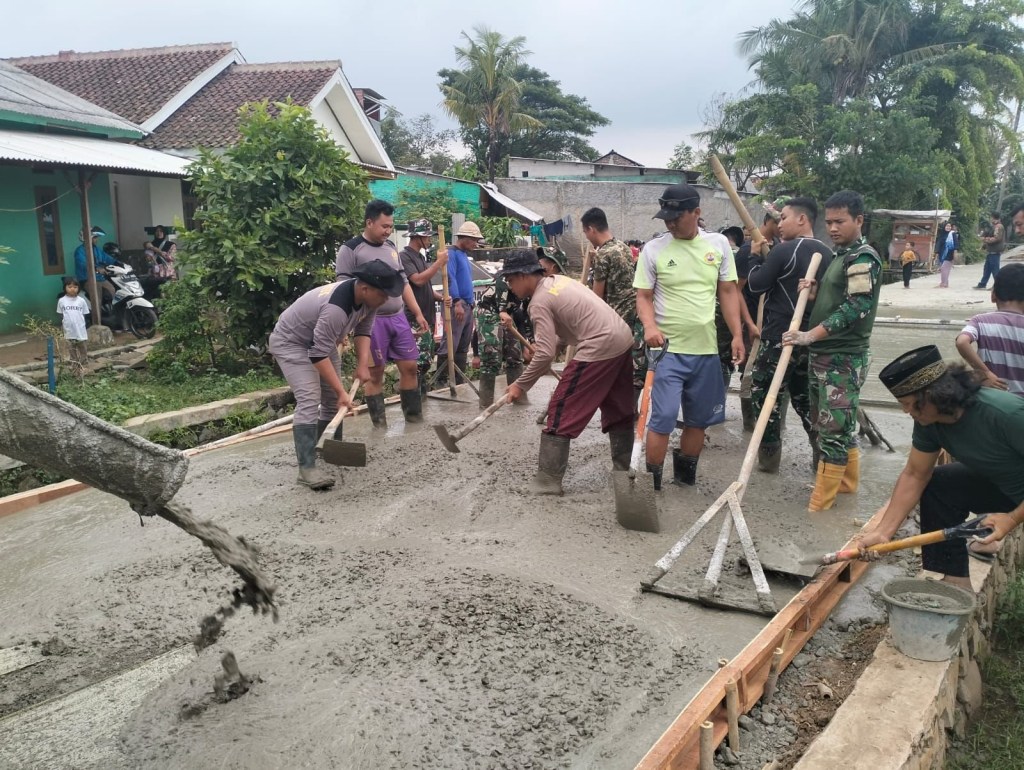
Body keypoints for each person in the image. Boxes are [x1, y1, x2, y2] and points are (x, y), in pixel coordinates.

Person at [853, 346, 1024, 590]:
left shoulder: (1006, 413)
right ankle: (955, 582)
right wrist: (883, 532)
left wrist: (1012, 519)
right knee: (939, 483)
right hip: (1003, 486)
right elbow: (915, 474)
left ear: (937, 394)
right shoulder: (928, 421)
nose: (906, 412)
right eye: (902, 404)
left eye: (911, 404)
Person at [634, 184, 744, 489]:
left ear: (696, 213)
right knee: (664, 417)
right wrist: (650, 327)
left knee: (698, 420)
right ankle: (652, 483)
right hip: (666, 351)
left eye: (676, 216)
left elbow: (728, 291)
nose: (669, 222)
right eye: (666, 217)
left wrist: (737, 334)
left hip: (706, 351)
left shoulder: (719, 245)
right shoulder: (653, 249)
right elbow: (643, 296)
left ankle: (685, 479)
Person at [501, 250, 635, 495]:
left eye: (510, 280)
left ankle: (547, 481)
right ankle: (623, 468)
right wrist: (550, 345)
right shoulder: (559, 282)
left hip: (600, 344)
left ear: (522, 275)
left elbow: (544, 355)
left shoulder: (539, 301)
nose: (510, 287)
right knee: (619, 406)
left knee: (562, 405)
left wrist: (520, 385)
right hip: (622, 338)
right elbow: (564, 331)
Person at [782, 190, 883, 511]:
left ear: (859, 220)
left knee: (834, 429)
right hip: (825, 355)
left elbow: (856, 308)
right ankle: (846, 487)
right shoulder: (840, 256)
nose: (833, 228)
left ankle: (820, 506)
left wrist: (810, 335)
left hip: (842, 357)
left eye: (840, 221)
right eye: (829, 222)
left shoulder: (862, 259)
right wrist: (814, 294)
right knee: (832, 424)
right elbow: (836, 301)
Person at [269, 260, 402, 489]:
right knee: (310, 398)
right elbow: (318, 355)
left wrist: (362, 365)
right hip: (291, 342)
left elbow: (363, 330)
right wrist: (342, 391)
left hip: (320, 342)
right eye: (383, 294)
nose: (386, 300)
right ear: (365, 288)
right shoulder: (336, 309)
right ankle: (307, 468)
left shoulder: (370, 301)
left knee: (331, 400)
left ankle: (331, 448)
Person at [745, 196, 833, 472]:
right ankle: (822, 458)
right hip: (811, 338)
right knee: (806, 398)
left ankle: (769, 460)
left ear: (802, 219)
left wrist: (754, 255)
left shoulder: (787, 250)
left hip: (779, 337)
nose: (779, 224)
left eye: (784, 218)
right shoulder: (829, 254)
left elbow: (756, 285)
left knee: (764, 395)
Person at [335, 200, 429, 427]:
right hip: (370, 321)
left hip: (398, 318)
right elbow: (344, 289)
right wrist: (345, 327)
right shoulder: (351, 249)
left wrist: (416, 313)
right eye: (384, 226)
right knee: (375, 374)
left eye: (390, 226)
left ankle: (414, 420)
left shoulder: (390, 248)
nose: (388, 231)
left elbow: (403, 281)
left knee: (410, 367)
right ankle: (379, 426)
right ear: (369, 222)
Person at [582, 206, 646, 401]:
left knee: (612, 363)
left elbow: (597, 296)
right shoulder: (623, 247)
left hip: (616, 316)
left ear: (592, 229)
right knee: (636, 361)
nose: (587, 237)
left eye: (585, 232)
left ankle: (614, 402)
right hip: (635, 312)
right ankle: (631, 406)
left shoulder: (604, 254)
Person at [956, 262, 1024, 395]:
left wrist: (984, 373)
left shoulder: (980, 320)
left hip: (991, 400)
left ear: (993, 295)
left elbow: (961, 342)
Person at [398, 219, 447, 394]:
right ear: (417, 237)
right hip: (414, 319)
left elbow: (426, 287)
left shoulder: (420, 257)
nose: (429, 241)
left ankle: (421, 396)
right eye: (427, 237)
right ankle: (413, 401)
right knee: (417, 363)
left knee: (426, 361)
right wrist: (438, 264)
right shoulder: (404, 257)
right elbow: (418, 280)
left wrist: (441, 298)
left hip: (428, 316)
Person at [436, 221, 484, 386]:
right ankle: (441, 381)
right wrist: (456, 302)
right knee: (451, 342)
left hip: (467, 304)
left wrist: (470, 302)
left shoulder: (463, 254)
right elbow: (450, 279)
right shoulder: (450, 254)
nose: (475, 244)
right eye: (473, 240)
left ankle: (459, 380)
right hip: (457, 304)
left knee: (463, 344)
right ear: (464, 238)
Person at [475, 266, 526, 408]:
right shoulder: (507, 278)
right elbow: (500, 282)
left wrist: (531, 341)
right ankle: (486, 405)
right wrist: (501, 310)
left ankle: (520, 401)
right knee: (491, 359)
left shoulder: (532, 290)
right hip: (489, 312)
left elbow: (524, 317)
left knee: (515, 356)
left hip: (509, 316)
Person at [73, 226, 118, 302]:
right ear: (87, 238)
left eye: (96, 237)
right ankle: (97, 313)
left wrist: (118, 263)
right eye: (94, 237)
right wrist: (96, 268)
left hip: (99, 277)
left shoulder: (96, 249)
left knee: (112, 290)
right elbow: (83, 264)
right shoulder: (79, 251)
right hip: (87, 279)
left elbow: (106, 258)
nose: (96, 240)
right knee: (97, 293)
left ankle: (110, 311)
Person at [57, 278, 89, 374]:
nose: (72, 289)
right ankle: (75, 366)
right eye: (69, 287)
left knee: (83, 349)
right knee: (71, 350)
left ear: (78, 288)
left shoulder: (81, 301)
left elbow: (84, 314)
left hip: (80, 330)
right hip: (68, 330)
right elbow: (61, 315)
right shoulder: (61, 301)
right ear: (65, 288)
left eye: (75, 287)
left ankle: (82, 364)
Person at [976, 211, 1006, 290]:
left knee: (995, 269)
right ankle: (982, 283)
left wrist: (985, 239)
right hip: (991, 251)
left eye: (991, 217)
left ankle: (997, 286)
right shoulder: (994, 226)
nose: (990, 219)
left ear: (993, 218)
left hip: (995, 251)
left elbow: (996, 238)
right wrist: (984, 246)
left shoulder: (998, 227)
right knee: (987, 269)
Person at [935, 222, 959, 288]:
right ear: (944, 227)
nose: (948, 227)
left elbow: (956, 243)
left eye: (949, 226)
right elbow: (938, 243)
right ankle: (945, 283)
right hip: (942, 253)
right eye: (947, 226)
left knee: (944, 268)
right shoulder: (942, 234)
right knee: (944, 269)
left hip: (949, 253)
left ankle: (943, 283)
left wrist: (955, 251)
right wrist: (936, 252)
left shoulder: (952, 234)